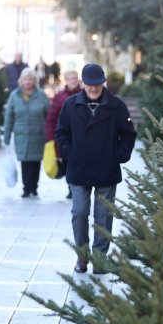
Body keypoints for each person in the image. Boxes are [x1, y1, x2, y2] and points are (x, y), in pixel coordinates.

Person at [56, 63, 137, 274]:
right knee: (79, 212)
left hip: (106, 168)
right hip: (78, 167)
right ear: (83, 83)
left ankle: (100, 258)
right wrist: (69, 153)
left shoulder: (117, 106)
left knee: (103, 215)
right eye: (90, 84)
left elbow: (128, 134)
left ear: (103, 83)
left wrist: (118, 155)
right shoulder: (70, 104)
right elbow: (61, 132)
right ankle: (82, 256)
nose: (94, 88)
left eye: (98, 84)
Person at [3, 67, 50, 198]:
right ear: (21, 81)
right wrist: (6, 136)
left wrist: (51, 135)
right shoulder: (14, 96)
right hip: (21, 135)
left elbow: (49, 115)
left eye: (30, 79)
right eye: (25, 79)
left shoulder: (41, 95)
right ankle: (26, 188)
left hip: (38, 135)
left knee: (35, 162)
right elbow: (9, 117)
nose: (28, 82)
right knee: (24, 162)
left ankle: (34, 187)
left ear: (34, 81)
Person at [44, 70, 82, 199]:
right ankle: (71, 189)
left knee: (80, 163)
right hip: (65, 137)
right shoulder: (60, 97)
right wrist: (51, 137)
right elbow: (51, 119)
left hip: (82, 137)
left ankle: (79, 187)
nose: (73, 80)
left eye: (75, 77)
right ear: (66, 80)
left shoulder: (85, 95)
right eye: (71, 78)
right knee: (67, 164)